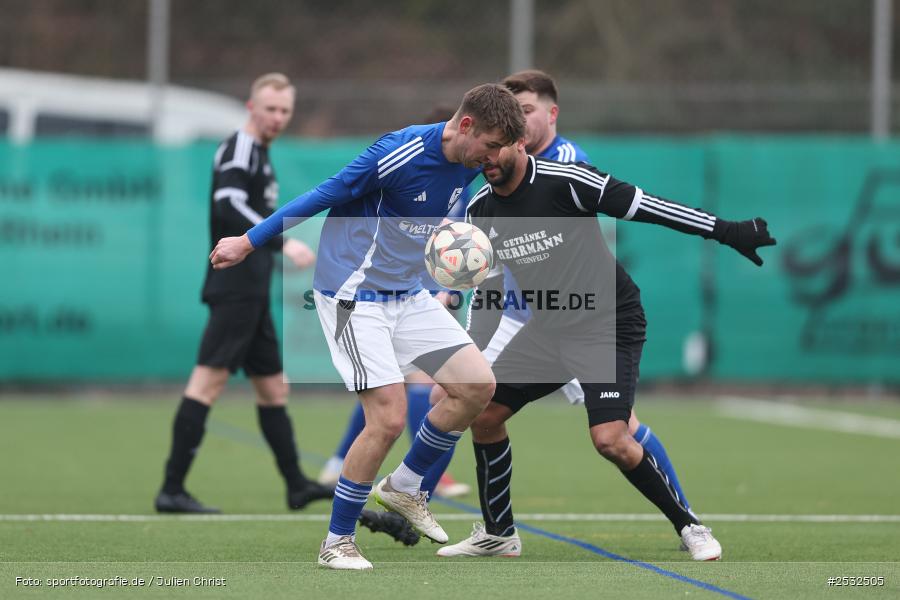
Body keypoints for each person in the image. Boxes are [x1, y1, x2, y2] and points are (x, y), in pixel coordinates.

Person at [209, 83, 526, 570]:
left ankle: (404, 488)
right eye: (488, 146)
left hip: (407, 292)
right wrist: (248, 241)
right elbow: (321, 195)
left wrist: (448, 285)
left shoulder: (469, 166)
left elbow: (434, 231)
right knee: (388, 417)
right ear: (466, 126)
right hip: (354, 293)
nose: (492, 158)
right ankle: (336, 542)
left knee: (476, 385)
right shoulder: (397, 152)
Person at [436, 135, 775, 561]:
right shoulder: (480, 208)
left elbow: (651, 207)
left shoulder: (568, 181)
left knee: (611, 439)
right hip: (550, 328)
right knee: (484, 413)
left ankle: (690, 525)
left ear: (519, 142)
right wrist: (472, 355)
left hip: (607, 322)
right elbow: (488, 291)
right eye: (476, 152)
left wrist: (728, 232)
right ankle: (499, 533)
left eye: (493, 148)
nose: (483, 159)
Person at [153, 73, 334, 515]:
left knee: (273, 390)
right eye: (269, 108)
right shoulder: (240, 146)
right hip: (233, 288)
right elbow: (227, 203)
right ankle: (171, 490)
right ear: (251, 107)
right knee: (207, 383)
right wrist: (280, 239)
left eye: (284, 111)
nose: (277, 117)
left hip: (252, 291)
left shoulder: (261, 153)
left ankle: (296, 485)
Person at [316, 105, 472, 501]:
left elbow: (446, 239)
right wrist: (251, 240)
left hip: (415, 289)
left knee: (397, 394)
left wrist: (448, 282)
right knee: (398, 400)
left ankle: (351, 466)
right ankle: (421, 478)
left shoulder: (466, 174)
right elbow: (337, 199)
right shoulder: (406, 160)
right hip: (377, 291)